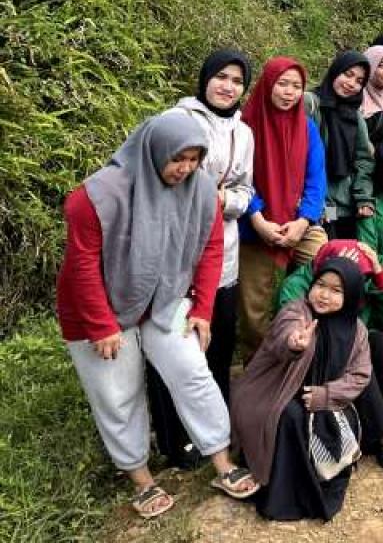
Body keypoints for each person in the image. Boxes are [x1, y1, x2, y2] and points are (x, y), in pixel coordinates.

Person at [58, 111, 258, 521]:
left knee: (191, 371)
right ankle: (142, 479)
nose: (184, 169)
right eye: (177, 158)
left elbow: (209, 248)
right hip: (99, 308)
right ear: (153, 151)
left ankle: (221, 461)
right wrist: (101, 324)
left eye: (193, 159)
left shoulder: (200, 189)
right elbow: (82, 265)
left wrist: (201, 308)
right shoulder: (95, 196)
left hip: (163, 298)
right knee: (118, 393)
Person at [151, 49, 255, 469]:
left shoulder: (244, 133)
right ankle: (172, 436)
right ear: (205, 78)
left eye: (237, 81)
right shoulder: (178, 119)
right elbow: (159, 177)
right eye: (221, 77)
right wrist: (200, 199)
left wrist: (223, 199)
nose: (227, 87)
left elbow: (247, 191)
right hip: (176, 250)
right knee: (172, 344)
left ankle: (214, 427)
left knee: (217, 343)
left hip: (224, 251)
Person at [231, 258, 372, 520]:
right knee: (290, 416)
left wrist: (326, 395)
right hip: (272, 393)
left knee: (342, 418)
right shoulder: (296, 312)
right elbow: (286, 335)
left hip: (318, 397)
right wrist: (295, 343)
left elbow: (360, 374)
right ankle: (283, 497)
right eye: (320, 285)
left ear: (351, 295)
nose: (324, 295)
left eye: (336, 290)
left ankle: (316, 477)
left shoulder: (357, 331)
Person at [238, 57, 328, 352]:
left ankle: (311, 350)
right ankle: (257, 371)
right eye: (282, 84)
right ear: (267, 85)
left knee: (330, 269)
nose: (289, 92)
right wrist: (258, 217)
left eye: (297, 86)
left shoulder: (307, 128)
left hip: (297, 221)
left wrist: (304, 220)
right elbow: (238, 177)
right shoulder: (243, 125)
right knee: (254, 313)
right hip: (253, 226)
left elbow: (316, 181)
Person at [306, 50, 375, 241]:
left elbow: (363, 160)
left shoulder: (355, 117)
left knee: (346, 261)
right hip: (317, 203)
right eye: (348, 74)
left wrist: (363, 197)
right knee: (323, 258)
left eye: (359, 81)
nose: (352, 84)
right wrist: (313, 204)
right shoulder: (311, 104)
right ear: (336, 71)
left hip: (346, 207)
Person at [277, 239, 383, 332]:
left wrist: (381, 280)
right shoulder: (295, 286)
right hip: (312, 353)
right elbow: (295, 331)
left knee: (379, 341)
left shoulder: (360, 283)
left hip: (351, 352)